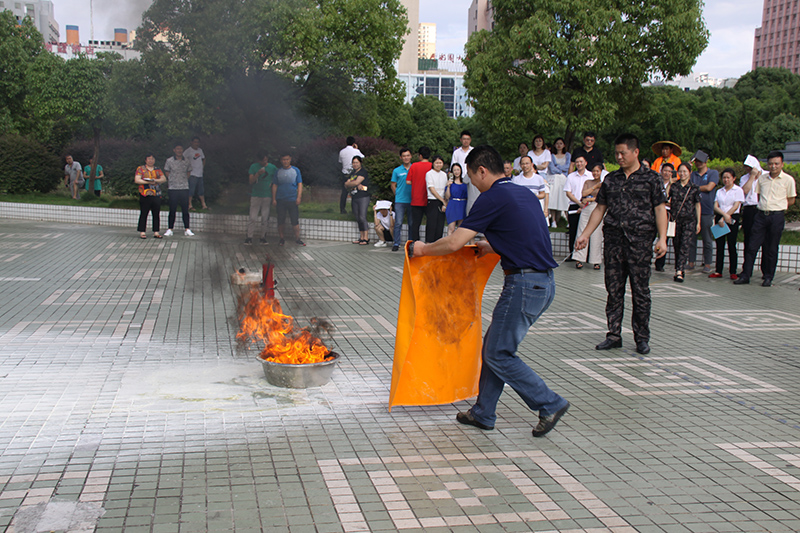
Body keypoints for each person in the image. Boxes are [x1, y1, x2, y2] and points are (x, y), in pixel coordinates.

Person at [411, 145, 569, 438]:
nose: (473, 184)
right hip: (543, 283)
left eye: (472, 178)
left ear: (482, 171)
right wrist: (493, 245)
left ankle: (549, 402)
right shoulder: (523, 193)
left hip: (523, 285)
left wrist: (423, 249)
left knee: (498, 353)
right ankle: (484, 412)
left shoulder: (491, 197)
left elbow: (455, 242)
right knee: (495, 348)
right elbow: (527, 236)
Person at [575, 133, 668, 355]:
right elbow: (600, 208)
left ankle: (641, 337)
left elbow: (660, 209)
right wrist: (585, 234)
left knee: (640, 291)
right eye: (616, 153)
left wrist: (663, 238)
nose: (619, 157)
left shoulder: (652, 179)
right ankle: (614, 334)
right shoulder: (611, 179)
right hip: (614, 242)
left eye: (623, 153)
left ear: (635, 152)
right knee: (614, 290)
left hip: (640, 243)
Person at [735, 150, 797, 286]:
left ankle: (768, 276)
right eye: (771, 164)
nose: (773, 166)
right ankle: (746, 275)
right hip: (761, 215)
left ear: (782, 164)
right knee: (752, 246)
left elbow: (791, 199)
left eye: (776, 164)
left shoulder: (788, 180)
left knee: (771, 248)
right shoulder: (762, 179)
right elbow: (758, 196)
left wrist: (778, 205)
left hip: (777, 216)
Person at [669, 163, 701, 283]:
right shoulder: (674, 186)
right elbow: (665, 197)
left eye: (685, 171)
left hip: (689, 220)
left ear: (690, 172)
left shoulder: (694, 188)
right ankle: (679, 268)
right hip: (675, 220)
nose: (682, 174)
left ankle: (679, 270)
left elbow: (697, 205)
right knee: (677, 244)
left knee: (685, 245)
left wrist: (698, 222)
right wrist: (670, 183)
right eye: (680, 171)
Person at [710, 168, 744, 280]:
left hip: (732, 218)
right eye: (724, 177)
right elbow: (715, 206)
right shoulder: (719, 191)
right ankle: (718, 270)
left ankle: (733, 271)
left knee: (731, 245)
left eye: (728, 177)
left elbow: (736, 206)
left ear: (733, 178)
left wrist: (726, 217)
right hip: (720, 217)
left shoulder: (738, 190)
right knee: (720, 245)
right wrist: (723, 216)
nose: (726, 180)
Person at [689, 150, 719, 272]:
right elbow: (686, 184)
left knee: (707, 239)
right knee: (691, 238)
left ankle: (707, 264)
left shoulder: (713, 173)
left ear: (706, 162)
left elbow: (709, 187)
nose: (698, 163)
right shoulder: (693, 174)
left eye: (700, 161)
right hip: (692, 210)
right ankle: (691, 262)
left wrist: (694, 188)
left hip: (707, 210)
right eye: (696, 161)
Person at [572, 162, 604, 270]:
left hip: (597, 207)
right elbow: (584, 194)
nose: (595, 173)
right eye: (594, 171)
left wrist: (590, 198)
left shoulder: (604, 183)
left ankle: (596, 260)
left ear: (601, 172)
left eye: (597, 171)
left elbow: (601, 197)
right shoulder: (588, 182)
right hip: (586, 209)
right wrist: (595, 186)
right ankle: (579, 258)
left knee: (596, 234)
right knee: (581, 231)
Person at [739, 155, 766, 276]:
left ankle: (766, 271)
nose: (748, 170)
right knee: (748, 240)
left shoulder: (766, 175)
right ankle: (746, 270)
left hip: (762, 208)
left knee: (765, 241)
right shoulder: (745, 178)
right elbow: (744, 192)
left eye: (750, 167)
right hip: (749, 209)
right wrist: (752, 177)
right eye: (746, 167)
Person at [272, 154, 306, 247]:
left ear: (290, 159)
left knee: (294, 220)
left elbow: (299, 184)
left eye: (287, 159)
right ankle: (281, 238)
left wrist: (299, 197)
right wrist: (274, 198)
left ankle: (297, 238)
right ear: (281, 160)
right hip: (280, 199)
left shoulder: (295, 170)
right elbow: (275, 185)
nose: (285, 161)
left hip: (292, 199)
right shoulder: (278, 172)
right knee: (281, 220)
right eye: (283, 159)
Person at [245, 153, 277, 245]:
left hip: (267, 195)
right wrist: (257, 174)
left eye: (266, 160)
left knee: (265, 217)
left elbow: (276, 180)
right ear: (259, 160)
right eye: (262, 161)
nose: (264, 162)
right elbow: (251, 181)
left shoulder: (272, 168)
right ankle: (249, 237)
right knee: (252, 217)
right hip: (256, 195)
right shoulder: (254, 167)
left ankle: (263, 237)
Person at [162, 144, 194, 237]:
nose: (179, 150)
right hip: (173, 188)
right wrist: (173, 179)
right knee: (172, 209)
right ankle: (170, 229)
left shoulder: (186, 161)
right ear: (174, 150)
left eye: (180, 149)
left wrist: (182, 180)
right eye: (177, 149)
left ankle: (187, 229)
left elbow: (189, 172)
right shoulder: (169, 161)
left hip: (184, 187)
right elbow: (167, 172)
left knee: (185, 209)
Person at [564, 155, 591, 258]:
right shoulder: (571, 176)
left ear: (586, 163)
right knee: (573, 230)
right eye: (577, 162)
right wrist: (579, 204)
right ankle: (572, 254)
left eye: (581, 161)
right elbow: (568, 192)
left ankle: (586, 255)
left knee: (586, 230)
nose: (579, 164)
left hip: (588, 204)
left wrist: (584, 204)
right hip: (574, 205)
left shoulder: (590, 176)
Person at [134, 155, 167, 239]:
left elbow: (163, 179)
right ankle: (142, 232)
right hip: (145, 194)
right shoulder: (141, 169)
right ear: (145, 160)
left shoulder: (157, 169)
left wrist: (155, 181)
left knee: (156, 213)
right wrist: (147, 182)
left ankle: (156, 232)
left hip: (156, 194)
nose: (150, 161)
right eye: (149, 159)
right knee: (144, 213)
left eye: (152, 159)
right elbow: (137, 180)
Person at [654, 163, 676, 272]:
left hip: (668, 213)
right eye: (665, 170)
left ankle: (659, 263)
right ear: (661, 171)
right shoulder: (656, 183)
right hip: (655, 211)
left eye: (670, 171)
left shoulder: (675, 185)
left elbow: (670, 201)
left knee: (664, 237)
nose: (667, 173)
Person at [407, 146, 432, 242]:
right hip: (429, 198)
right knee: (430, 222)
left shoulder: (414, 166)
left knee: (415, 224)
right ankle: (428, 242)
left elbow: (408, 181)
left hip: (416, 198)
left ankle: (416, 243)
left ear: (420, 155)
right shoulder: (432, 166)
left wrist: (416, 182)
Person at [345, 155, 371, 245]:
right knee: (357, 217)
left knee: (362, 217)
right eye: (353, 163)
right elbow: (346, 184)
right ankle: (361, 237)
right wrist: (354, 184)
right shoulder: (353, 173)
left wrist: (352, 183)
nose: (355, 164)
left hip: (363, 197)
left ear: (360, 163)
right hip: (354, 196)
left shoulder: (363, 172)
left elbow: (355, 182)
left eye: (357, 162)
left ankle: (366, 238)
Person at [390, 148, 413, 251]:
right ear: (401, 157)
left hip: (412, 200)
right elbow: (393, 184)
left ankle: (410, 243)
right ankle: (396, 243)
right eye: (404, 156)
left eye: (408, 155)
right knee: (398, 223)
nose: (406, 158)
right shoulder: (397, 170)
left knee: (411, 223)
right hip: (400, 201)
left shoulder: (414, 168)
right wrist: (397, 194)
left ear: (411, 156)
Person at [424, 155, 448, 243]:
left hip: (442, 202)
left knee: (440, 225)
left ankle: (438, 244)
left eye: (440, 163)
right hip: (433, 201)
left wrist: (445, 202)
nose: (438, 165)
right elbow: (432, 189)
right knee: (431, 224)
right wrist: (442, 200)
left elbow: (445, 188)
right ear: (433, 163)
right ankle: (428, 244)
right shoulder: (429, 174)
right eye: (436, 163)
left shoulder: (444, 174)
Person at [451, 131, 477, 214]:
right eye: (464, 139)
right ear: (461, 140)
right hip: (460, 180)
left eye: (468, 139)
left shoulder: (474, 151)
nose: (466, 141)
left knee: (471, 200)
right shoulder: (456, 152)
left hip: (472, 180)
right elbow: (453, 166)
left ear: (470, 140)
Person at [548, 138, 571, 227]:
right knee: (553, 199)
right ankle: (553, 221)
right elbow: (552, 168)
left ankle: (568, 221)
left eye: (561, 143)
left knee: (565, 199)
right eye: (557, 143)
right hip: (554, 179)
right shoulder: (551, 155)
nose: (559, 145)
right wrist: (561, 170)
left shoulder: (567, 155)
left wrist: (557, 167)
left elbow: (567, 167)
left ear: (564, 145)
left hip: (564, 179)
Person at [338, 136, 364, 214]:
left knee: (344, 192)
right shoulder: (356, 151)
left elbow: (340, 161)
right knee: (354, 191)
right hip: (353, 173)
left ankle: (342, 209)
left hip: (344, 173)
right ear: (353, 143)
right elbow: (362, 158)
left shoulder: (342, 152)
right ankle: (354, 210)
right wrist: (356, 149)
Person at [184, 136, 208, 210]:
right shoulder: (188, 151)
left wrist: (202, 167)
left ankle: (204, 205)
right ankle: (189, 205)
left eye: (197, 142)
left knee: (201, 190)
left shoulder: (200, 150)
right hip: (192, 174)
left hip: (200, 173)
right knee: (191, 190)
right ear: (191, 142)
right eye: (195, 142)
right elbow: (183, 160)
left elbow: (203, 159)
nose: (196, 144)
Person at [445, 163, 468, 234]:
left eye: (458, 170)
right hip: (453, 205)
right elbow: (447, 197)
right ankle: (449, 241)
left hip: (463, 205)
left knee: (460, 230)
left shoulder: (465, 182)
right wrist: (448, 186)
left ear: (461, 170)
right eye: (454, 170)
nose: (456, 172)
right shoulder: (450, 183)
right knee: (451, 229)